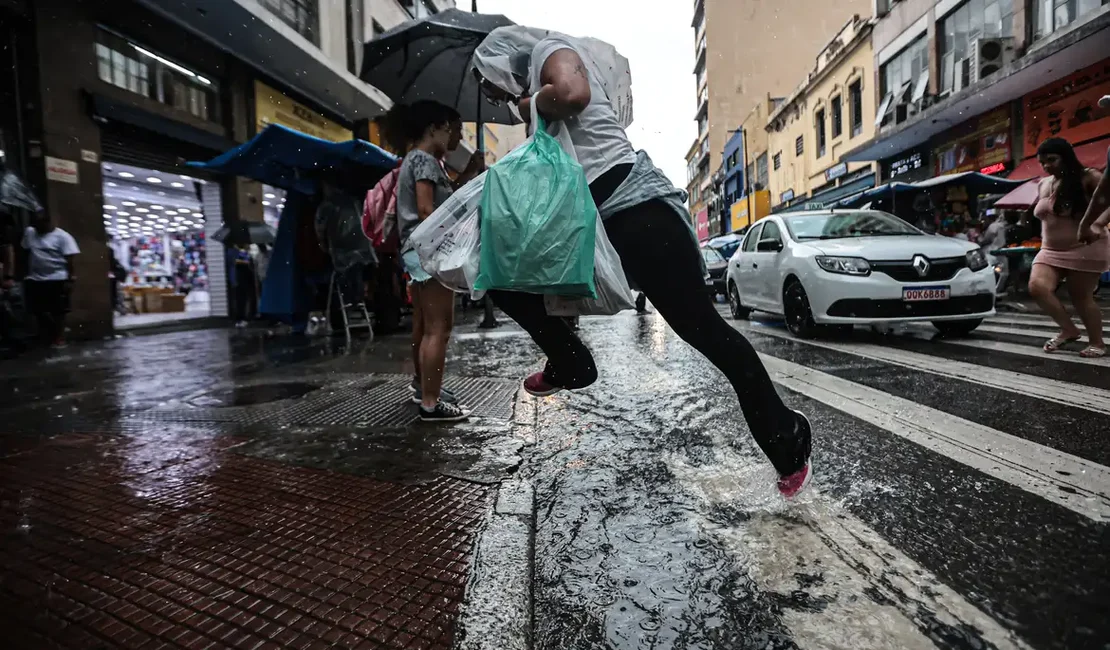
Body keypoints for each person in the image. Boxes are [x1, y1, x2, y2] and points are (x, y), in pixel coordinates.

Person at [472, 27, 812, 497]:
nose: (497, 97)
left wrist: (530, 107)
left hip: (639, 213)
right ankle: (569, 360)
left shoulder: (549, 52)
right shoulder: (537, 85)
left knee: (705, 332)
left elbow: (572, 94)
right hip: (604, 222)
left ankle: (787, 440)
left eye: (492, 87)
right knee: (497, 270)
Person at [383, 100, 482, 422]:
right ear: (434, 128)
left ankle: (423, 388)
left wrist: (467, 175)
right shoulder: (425, 160)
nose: (453, 135)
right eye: (451, 129)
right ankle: (431, 402)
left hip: (415, 252)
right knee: (440, 328)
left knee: (425, 327)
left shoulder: (414, 159)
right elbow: (427, 210)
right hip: (430, 253)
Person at [1028, 137, 1109, 358]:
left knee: (1080, 296)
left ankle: (1097, 343)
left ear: (1066, 157)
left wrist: (1098, 224)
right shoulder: (1044, 183)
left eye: (1052, 160)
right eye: (1042, 162)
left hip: (1085, 246)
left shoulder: (1088, 177)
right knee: (1037, 287)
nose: (1047, 166)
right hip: (1050, 250)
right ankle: (1068, 329)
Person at [22, 210, 79, 347]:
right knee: (37, 310)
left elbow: (70, 260)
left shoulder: (63, 237)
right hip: (35, 278)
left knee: (58, 311)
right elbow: (25, 250)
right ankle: (48, 333)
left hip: (57, 278)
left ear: (47, 222)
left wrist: (70, 279)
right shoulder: (30, 232)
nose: (37, 228)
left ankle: (58, 336)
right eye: (35, 224)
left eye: (40, 224)